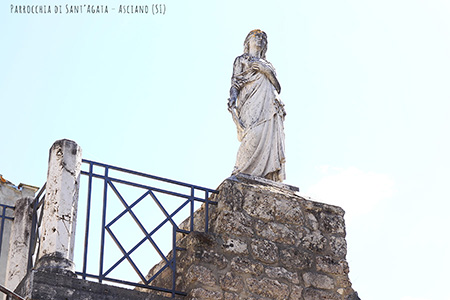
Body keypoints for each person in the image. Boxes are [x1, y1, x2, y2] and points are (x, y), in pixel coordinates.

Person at [228, 29, 286, 182]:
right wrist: (233, 98)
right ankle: (240, 170)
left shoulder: (267, 64)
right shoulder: (241, 60)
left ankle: (266, 174)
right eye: (256, 36)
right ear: (248, 42)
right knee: (253, 134)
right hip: (250, 101)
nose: (260, 39)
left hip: (269, 101)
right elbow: (235, 83)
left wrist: (265, 70)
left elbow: (278, 86)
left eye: (263, 38)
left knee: (268, 134)